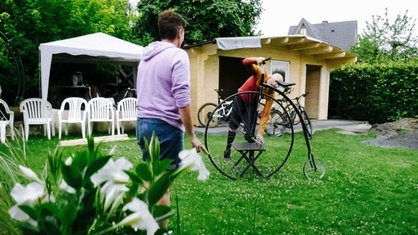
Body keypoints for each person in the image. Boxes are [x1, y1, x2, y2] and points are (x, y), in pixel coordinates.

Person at [135, 9, 204, 228]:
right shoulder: (177, 55)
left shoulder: (145, 57)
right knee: (163, 184)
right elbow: (182, 99)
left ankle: (139, 225)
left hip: (143, 123)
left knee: (149, 179)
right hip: (164, 127)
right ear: (180, 33)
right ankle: (160, 231)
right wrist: (192, 135)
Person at [224, 57, 283, 160]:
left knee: (251, 132)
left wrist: (260, 133)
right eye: (270, 84)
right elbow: (245, 62)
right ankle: (227, 151)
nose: (269, 88)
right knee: (233, 126)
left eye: (273, 87)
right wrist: (256, 60)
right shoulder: (260, 73)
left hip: (252, 104)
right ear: (270, 78)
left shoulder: (271, 93)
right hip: (241, 98)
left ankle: (251, 158)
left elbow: (266, 113)